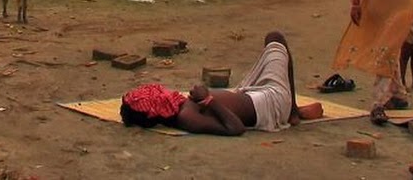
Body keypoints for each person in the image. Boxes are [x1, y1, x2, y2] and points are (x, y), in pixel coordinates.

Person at [119, 31, 301, 135]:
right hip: (273, 103)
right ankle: (292, 110)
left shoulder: (182, 106)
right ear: (154, 113)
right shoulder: (186, 117)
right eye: (155, 96)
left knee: (269, 54)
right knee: (275, 38)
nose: (161, 91)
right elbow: (235, 128)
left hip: (252, 92)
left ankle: (293, 109)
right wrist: (208, 100)